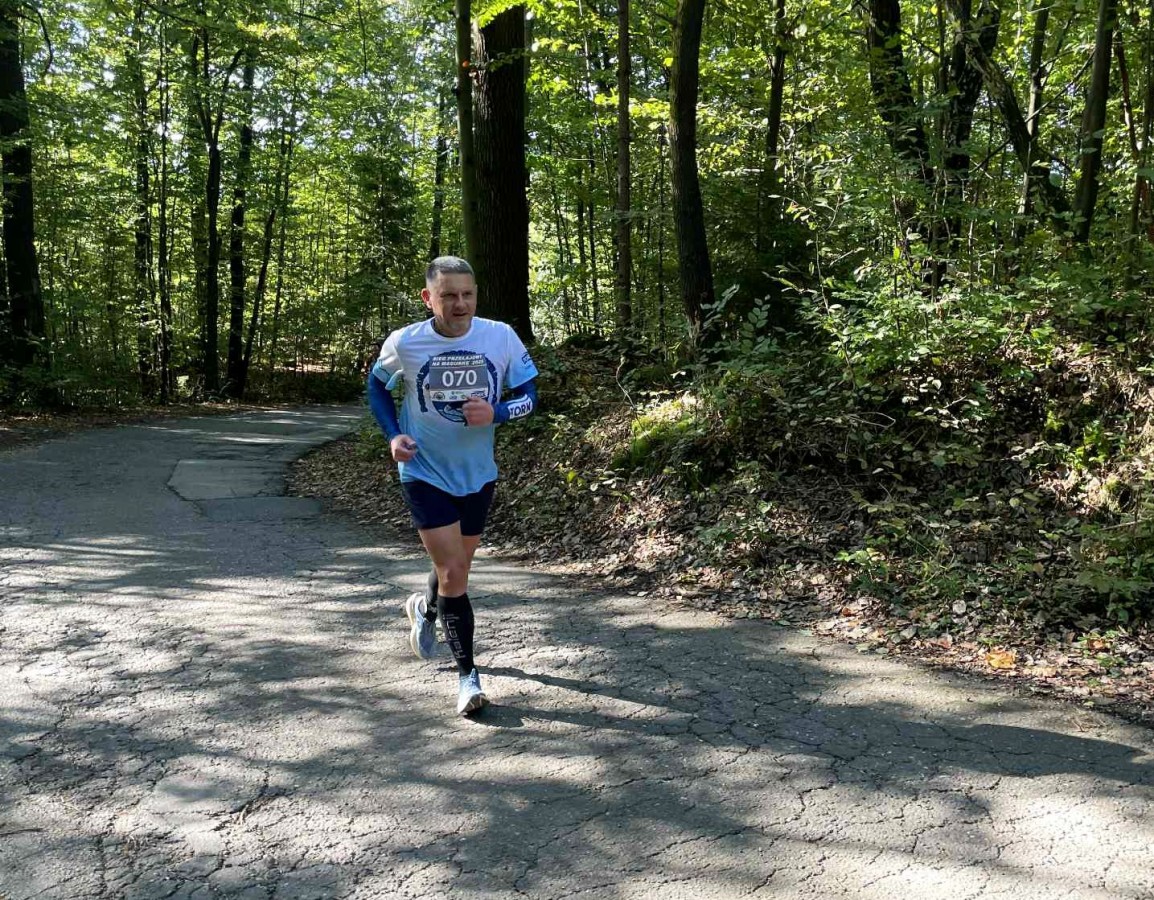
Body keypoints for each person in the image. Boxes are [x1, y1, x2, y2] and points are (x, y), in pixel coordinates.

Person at [366, 256, 539, 715]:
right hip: (424, 471)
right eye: (449, 295)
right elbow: (376, 387)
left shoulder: (500, 336)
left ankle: (425, 609)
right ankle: (468, 678)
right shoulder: (405, 342)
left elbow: (530, 396)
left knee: (455, 567)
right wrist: (393, 435)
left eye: (468, 294)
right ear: (429, 298)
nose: (460, 304)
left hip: (477, 473)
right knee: (455, 572)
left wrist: (498, 412)